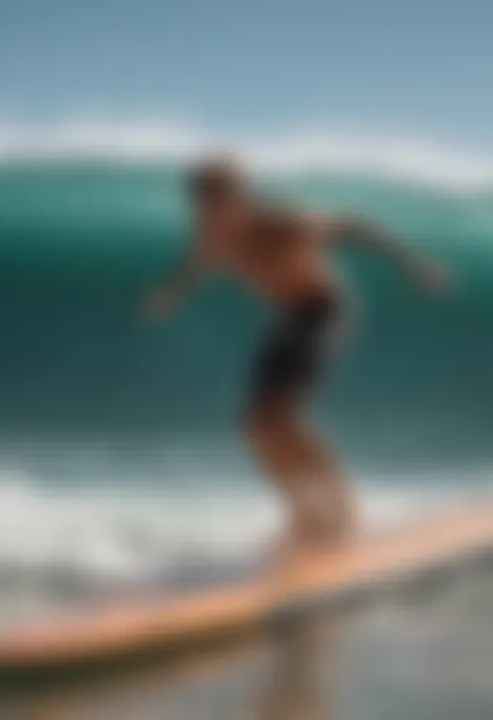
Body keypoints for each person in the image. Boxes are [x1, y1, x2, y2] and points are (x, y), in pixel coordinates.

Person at [143, 156, 452, 566]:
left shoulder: (288, 223)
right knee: (254, 426)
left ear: (242, 199)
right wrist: (170, 294)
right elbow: (194, 266)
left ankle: (343, 515)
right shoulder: (213, 238)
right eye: (205, 207)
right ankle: (304, 515)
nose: (214, 216)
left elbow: (357, 227)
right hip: (288, 318)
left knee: (284, 418)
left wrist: (414, 265)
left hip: (326, 311)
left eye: (222, 204)